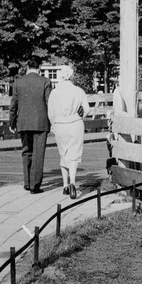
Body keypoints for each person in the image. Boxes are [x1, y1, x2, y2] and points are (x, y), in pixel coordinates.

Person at [47, 65, 90, 199]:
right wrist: (80, 116)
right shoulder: (78, 91)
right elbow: (87, 109)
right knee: (74, 155)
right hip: (75, 123)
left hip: (60, 124)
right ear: (71, 76)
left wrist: (54, 124)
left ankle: (65, 184)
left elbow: (51, 112)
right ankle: (72, 183)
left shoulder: (54, 92)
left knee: (63, 153)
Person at [10, 63, 52, 193]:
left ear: (27, 67)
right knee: (38, 154)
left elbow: (13, 104)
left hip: (23, 122)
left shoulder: (18, 82)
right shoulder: (45, 81)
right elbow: (49, 102)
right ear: (39, 68)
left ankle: (27, 182)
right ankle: (35, 185)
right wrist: (52, 121)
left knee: (26, 151)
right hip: (40, 122)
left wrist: (12, 122)